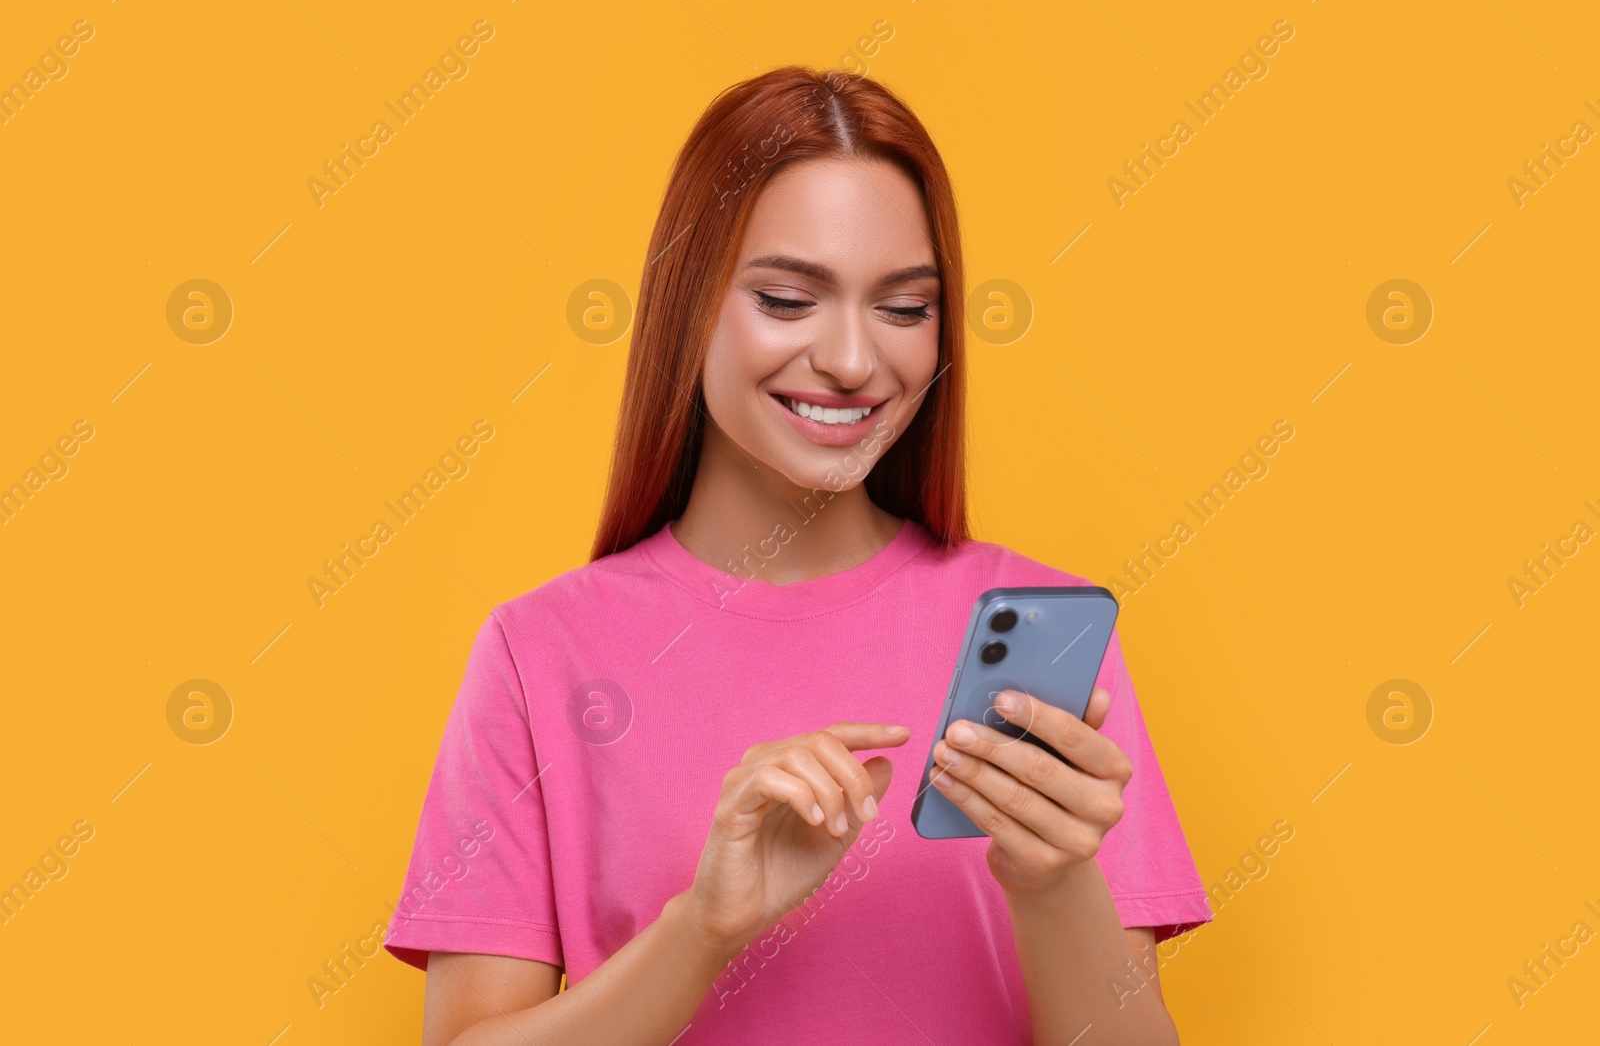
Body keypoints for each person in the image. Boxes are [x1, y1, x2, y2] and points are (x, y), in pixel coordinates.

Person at [384, 64, 1211, 1046]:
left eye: (904, 308)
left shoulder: (1037, 628)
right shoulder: (540, 649)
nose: (855, 361)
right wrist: (703, 927)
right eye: (787, 299)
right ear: (688, 304)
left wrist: (1053, 881)